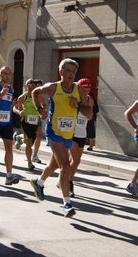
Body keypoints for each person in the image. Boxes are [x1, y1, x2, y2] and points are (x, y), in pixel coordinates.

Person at [29, 58, 92, 217]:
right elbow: (35, 92)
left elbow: (89, 114)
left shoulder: (79, 91)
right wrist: (39, 109)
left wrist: (77, 105)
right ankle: (67, 204)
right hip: (54, 132)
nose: (71, 74)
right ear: (61, 72)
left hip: (68, 133)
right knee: (65, 165)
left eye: (74, 71)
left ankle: (38, 182)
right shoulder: (53, 87)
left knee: (54, 164)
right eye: (68, 71)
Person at [57, 78, 94, 197]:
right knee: (75, 160)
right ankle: (68, 182)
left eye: (88, 89)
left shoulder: (90, 100)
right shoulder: (72, 97)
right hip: (71, 132)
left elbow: (90, 116)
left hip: (82, 134)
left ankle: (63, 179)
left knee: (74, 162)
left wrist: (81, 108)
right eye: (84, 89)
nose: (87, 92)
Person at [13, 78, 41, 170]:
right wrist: (19, 112)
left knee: (31, 142)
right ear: (26, 86)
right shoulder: (23, 97)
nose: (32, 84)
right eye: (30, 83)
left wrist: (42, 110)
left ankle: (19, 138)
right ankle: (29, 162)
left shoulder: (37, 96)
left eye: (33, 83)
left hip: (35, 121)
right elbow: (15, 107)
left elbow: (43, 105)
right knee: (29, 142)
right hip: (25, 121)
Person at [32, 79, 45, 163]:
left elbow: (44, 105)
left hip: (38, 118)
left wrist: (43, 108)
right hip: (29, 118)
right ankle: (19, 138)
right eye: (37, 87)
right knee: (29, 139)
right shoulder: (28, 95)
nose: (39, 88)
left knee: (38, 136)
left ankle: (35, 155)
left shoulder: (40, 97)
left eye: (41, 87)